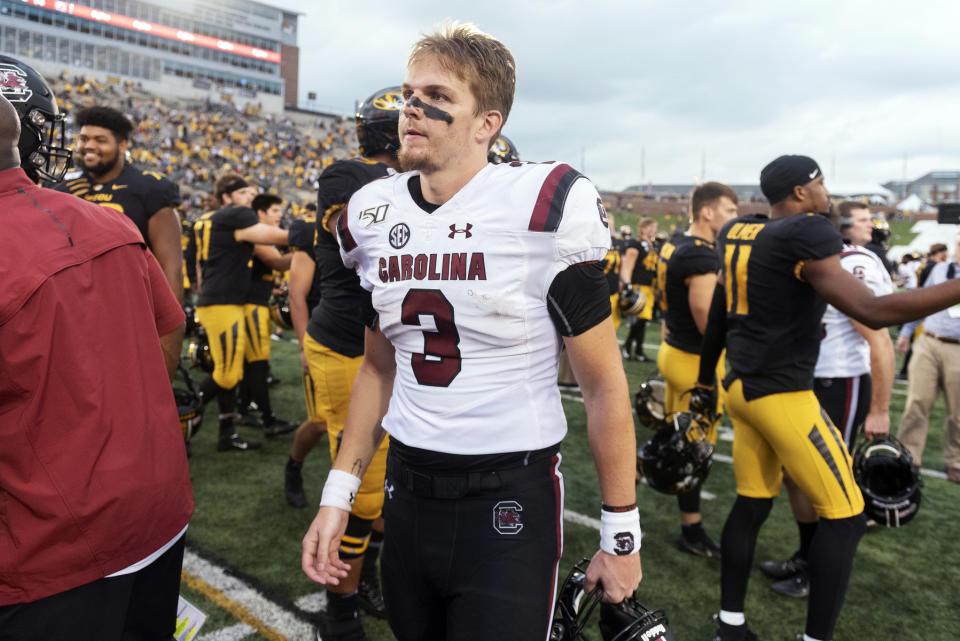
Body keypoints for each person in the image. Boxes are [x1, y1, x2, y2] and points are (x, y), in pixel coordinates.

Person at [301, 24, 642, 641]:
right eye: (408, 92)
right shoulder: (372, 214)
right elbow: (380, 368)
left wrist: (622, 535)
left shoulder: (543, 205)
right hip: (407, 491)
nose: (412, 108)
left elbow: (604, 387)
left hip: (507, 498)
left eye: (436, 94)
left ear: (487, 123)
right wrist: (339, 493)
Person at [693, 155, 960, 641]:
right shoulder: (806, 233)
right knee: (848, 515)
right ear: (799, 192)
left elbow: (718, 314)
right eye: (819, 183)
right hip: (782, 395)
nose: (825, 191)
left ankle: (729, 625)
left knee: (751, 504)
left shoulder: (737, 232)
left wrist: (706, 382)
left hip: (739, 387)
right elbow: (873, 312)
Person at [0, 78, 192, 640]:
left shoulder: (137, 201)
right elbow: (165, 339)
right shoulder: (109, 220)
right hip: (157, 509)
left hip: (53, 546)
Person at [289, 86, 403, 639]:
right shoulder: (349, 176)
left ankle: (366, 577)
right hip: (347, 347)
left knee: (384, 488)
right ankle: (338, 613)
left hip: (389, 347)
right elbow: (358, 232)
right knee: (362, 488)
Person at [759, 200, 896, 599]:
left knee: (827, 479)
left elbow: (879, 338)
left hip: (840, 381)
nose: (871, 226)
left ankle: (819, 570)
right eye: (864, 219)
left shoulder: (856, 262)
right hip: (803, 381)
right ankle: (807, 556)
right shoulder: (808, 256)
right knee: (796, 475)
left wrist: (880, 409)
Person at [654, 181, 739, 558]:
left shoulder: (676, 242)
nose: (734, 219)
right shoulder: (701, 255)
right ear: (708, 212)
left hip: (674, 349)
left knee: (675, 436)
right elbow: (708, 320)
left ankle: (638, 474)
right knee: (695, 447)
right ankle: (692, 529)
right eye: (730, 211)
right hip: (694, 362)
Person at [193, 173, 290, 451]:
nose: (251, 198)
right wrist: (310, 235)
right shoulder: (234, 216)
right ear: (227, 196)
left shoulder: (214, 219)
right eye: (245, 193)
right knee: (226, 374)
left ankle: (227, 431)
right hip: (223, 303)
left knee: (230, 371)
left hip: (221, 299)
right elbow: (272, 240)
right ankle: (177, 415)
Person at [54, 105, 184, 301]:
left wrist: (169, 326)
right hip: (70, 302)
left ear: (122, 146)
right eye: (84, 139)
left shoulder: (150, 189)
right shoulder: (63, 188)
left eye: (100, 140)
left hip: (127, 301)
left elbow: (171, 269)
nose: (88, 146)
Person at [896, 233, 960, 484]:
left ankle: (956, 460)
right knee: (917, 401)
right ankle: (908, 457)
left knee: (958, 411)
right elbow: (921, 302)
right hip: (930, 341)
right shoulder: (940, 269)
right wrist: (906, 332)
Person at [235, 193, 296, 435]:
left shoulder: (262, 235)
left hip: (254, 300)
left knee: (252, 365)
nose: (279, 214)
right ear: (260, 213)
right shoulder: (257, 233)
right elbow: (278, 263)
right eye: (274, 211)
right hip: (251, 305)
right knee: (257, 364)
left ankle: (242, 408)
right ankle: (268, 419)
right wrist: (308, 250)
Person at [620, 217, 658, 361]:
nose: (653, 230)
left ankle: (639, 351)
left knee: (643, 320)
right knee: (641, 319)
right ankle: (629, 346)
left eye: (654, 227)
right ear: (642, 228)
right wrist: (628, 284)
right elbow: (627, 266)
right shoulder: (636, 245)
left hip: (650, 287)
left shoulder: (652, 245)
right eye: (650, 227)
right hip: (638, 285)